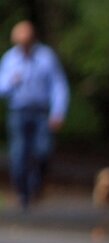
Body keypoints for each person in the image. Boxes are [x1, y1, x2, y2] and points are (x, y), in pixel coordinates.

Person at [0, 20, 68, 209]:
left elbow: (58, 85)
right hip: (17, 112)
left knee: (42, 151)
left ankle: (36, 186)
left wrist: (58, 111)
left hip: (41, 113)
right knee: (18, 154)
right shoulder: (9, 59)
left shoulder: (46, 57)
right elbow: (1, 87)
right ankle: (23, 192)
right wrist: (11, 82)